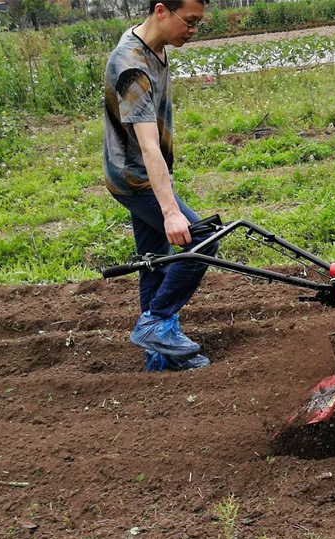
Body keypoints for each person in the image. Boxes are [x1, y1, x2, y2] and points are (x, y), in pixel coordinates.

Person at [103, 0, 217, 371]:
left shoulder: (154, 47)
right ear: (162, 11)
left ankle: (160, 354)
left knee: (154, 263)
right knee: (203, 240)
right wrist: (170, 211)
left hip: (140, 174)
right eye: (191, 21)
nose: (194, 30)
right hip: (136, 179)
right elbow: (149, 147)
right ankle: (156, 324)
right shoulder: (131, 66)